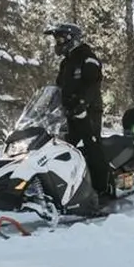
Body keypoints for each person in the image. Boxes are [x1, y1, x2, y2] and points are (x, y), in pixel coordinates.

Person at [44, 22, 110, 200]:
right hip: (69, 113)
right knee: (66, 149)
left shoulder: (87, 58)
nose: (57, 43)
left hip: (88, 112)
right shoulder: (67, 62)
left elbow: (93, 84)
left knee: (92, 145)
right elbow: (59, 87)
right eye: (56, 40)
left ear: (71, 39)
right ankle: (66, 189)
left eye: (60, 39)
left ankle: (102, 190)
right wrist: (49, 106)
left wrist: (82, 104)